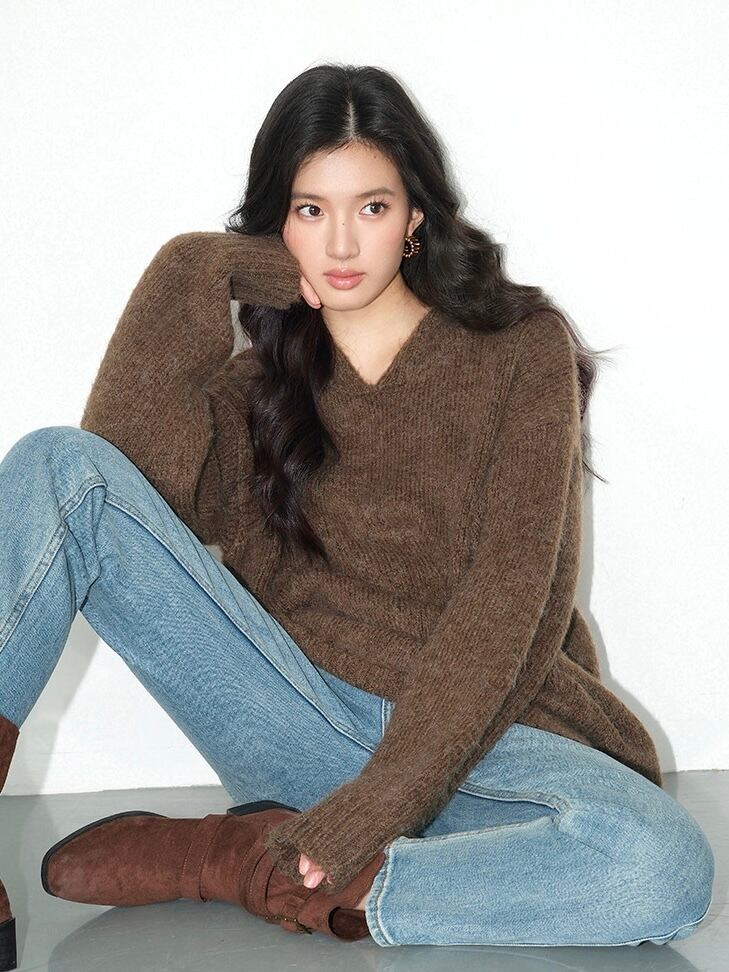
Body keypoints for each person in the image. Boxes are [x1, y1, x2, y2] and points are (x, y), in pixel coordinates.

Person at [0, 62, 714, 961]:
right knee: (57, 464)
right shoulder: (256, 389)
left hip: (486, 735)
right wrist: (196, 269)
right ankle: (326, 867)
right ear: (277, 225)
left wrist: (376, 807)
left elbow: (508, 603)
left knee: (661, 867)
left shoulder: (518, 354)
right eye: (310, 210)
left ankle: (241, 862)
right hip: (295, 721)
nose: (340, 243)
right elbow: (114, 491)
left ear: (414, 216)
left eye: (370, 207)